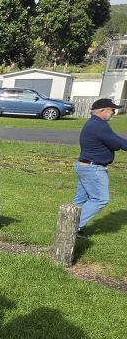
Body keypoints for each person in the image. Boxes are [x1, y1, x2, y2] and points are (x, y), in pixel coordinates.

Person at [73, 97, 127, 238]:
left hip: (85, 166)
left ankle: (70, 227)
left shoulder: (94, 123)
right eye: (112, 110)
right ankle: (72, 226)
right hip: (93, 169)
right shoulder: (99, 125)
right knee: (100, 199)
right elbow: (117, 143)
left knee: (80, 200)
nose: (113, 113)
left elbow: (114, 142)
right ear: (102, 111)